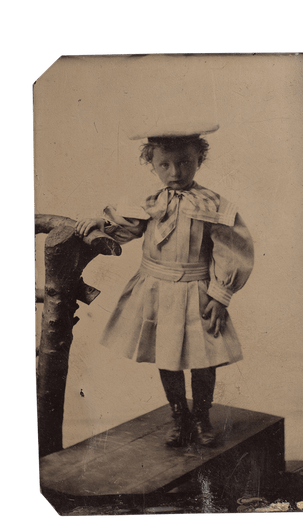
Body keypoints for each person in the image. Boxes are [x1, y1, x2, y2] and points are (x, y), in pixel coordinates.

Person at [76, 125, 254, 448]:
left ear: (200, 158)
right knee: (166, 356)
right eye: (165, 165)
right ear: (151, 163)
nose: (175, 172)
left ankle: (201, 416)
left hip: (197, 290)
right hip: (157, 291)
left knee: (204, 359)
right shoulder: (150, 204)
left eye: (185, 163)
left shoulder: (213, 205)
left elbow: (231, 249)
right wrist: (99, 222)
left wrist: (220, 295)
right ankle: (179, 416)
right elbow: (124, 226)